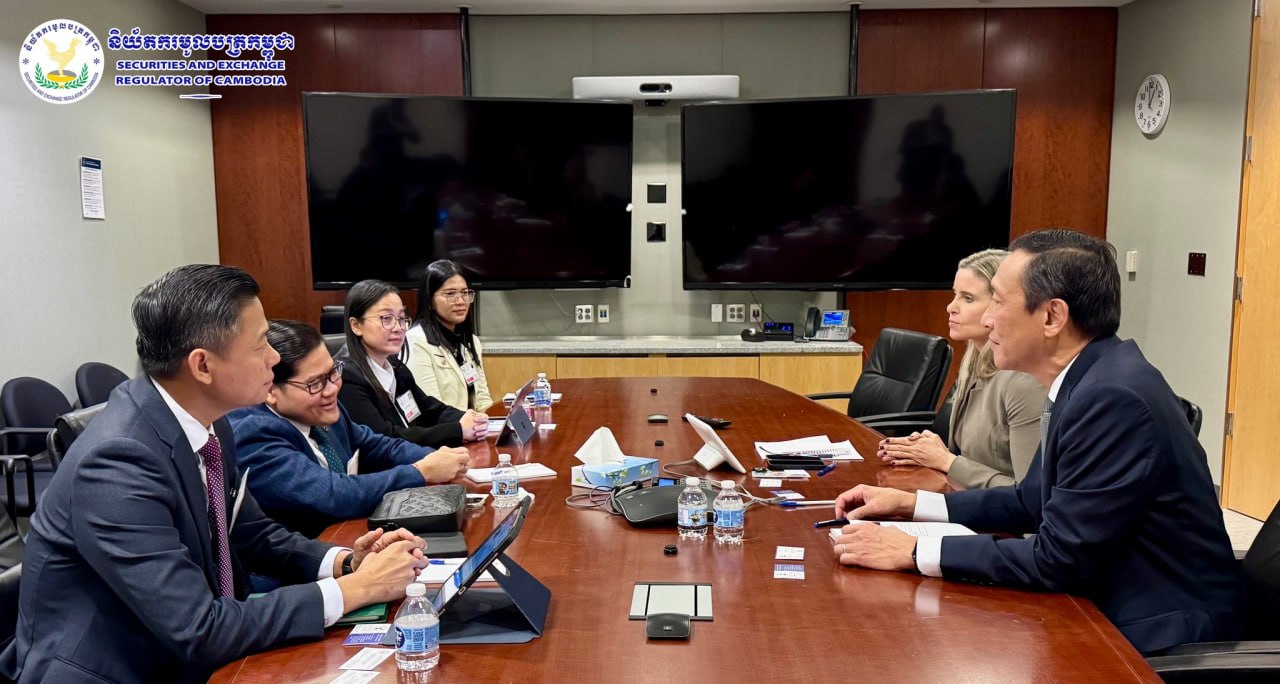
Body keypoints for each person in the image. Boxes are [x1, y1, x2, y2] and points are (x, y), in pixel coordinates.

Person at [0, 265, 428, 683]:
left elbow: (252, 534)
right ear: (203, 366)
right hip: (127, 669)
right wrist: (357, 589)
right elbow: (198, 628)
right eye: (260, 345)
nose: (274, 357)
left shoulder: (209, 421)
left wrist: (347, 562)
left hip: (196, 653)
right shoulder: (117, 463)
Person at [832, 229, 1240, 655]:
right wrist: (912, 504)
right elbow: (1032, 499)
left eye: (999, 302)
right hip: (1103, 602)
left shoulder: (1111, 398)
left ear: (1051, 317)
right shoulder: (1087, 376)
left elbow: (1056, 559)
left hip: (1156, 634)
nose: (988, 320)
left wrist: (915, 550)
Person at [229, 320, 471, 539]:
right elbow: (333, 494)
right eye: (315, 383)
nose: (332, 389)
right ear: (270, 390)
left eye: (333, 372)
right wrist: (420, 472)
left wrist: (437, 459)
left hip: (351, 538)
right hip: (306, 561)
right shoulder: (253, 433)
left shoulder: (322, 409)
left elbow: (378, 445)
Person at [877, 249, 1046, 488]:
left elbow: (1031, 496)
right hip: (961, 497)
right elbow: (967, 457)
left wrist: (947, 461)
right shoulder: (972, 360)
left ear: (1000, 305)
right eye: (954, 295)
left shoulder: (1024, 381)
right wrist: (929, 450)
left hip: (994, 511)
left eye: (968, 298)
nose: (950, 307)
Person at [337, 279, 490, 446]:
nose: (398, 327)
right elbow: (386, 438)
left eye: (401, 318)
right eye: (386, 318)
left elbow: (431, 409)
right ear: (356, 325)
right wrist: (457, 430)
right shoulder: (346, 378)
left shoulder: (395, 366)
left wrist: (469, 419)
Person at [405, 259, 494, 411]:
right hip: (446, 425)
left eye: (465, 293)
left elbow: (482, 399)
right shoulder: (416, 341)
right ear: (430, 300)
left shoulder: (471, 341)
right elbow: (431, 408)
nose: (460, 301)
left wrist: (494, 419)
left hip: (473, 424)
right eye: (450, 294)